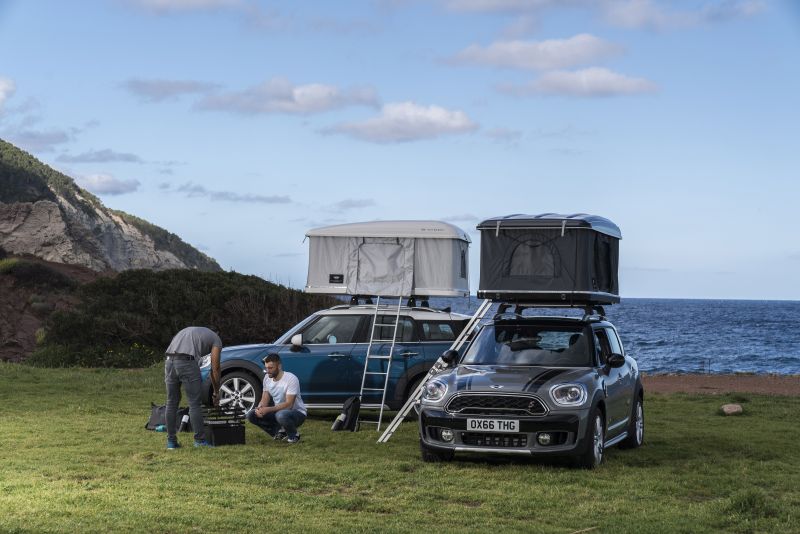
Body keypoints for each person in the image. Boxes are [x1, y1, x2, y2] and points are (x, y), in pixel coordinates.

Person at [164, 326, 221, 449]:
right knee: (194, 403)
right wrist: (216, 391)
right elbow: (215, 368)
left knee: (171, 402)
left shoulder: (188, 331)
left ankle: (171, 442)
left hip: (169, 361)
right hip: (187, 362)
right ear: (216, 333)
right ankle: (200, 441)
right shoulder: (216, 339)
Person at [247, 353, 307, 444]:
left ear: (279, 366)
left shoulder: (291, 378)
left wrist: (268, 409)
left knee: (281, 415)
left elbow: (289, 404)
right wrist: (260, 408)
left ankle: (294, 436)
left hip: (297, 413)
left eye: (271, 368)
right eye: (266, 368)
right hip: (278, 412)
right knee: (251, 415)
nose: (268, 371)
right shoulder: (267, 378)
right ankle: (279, 433)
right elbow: (265, 398)